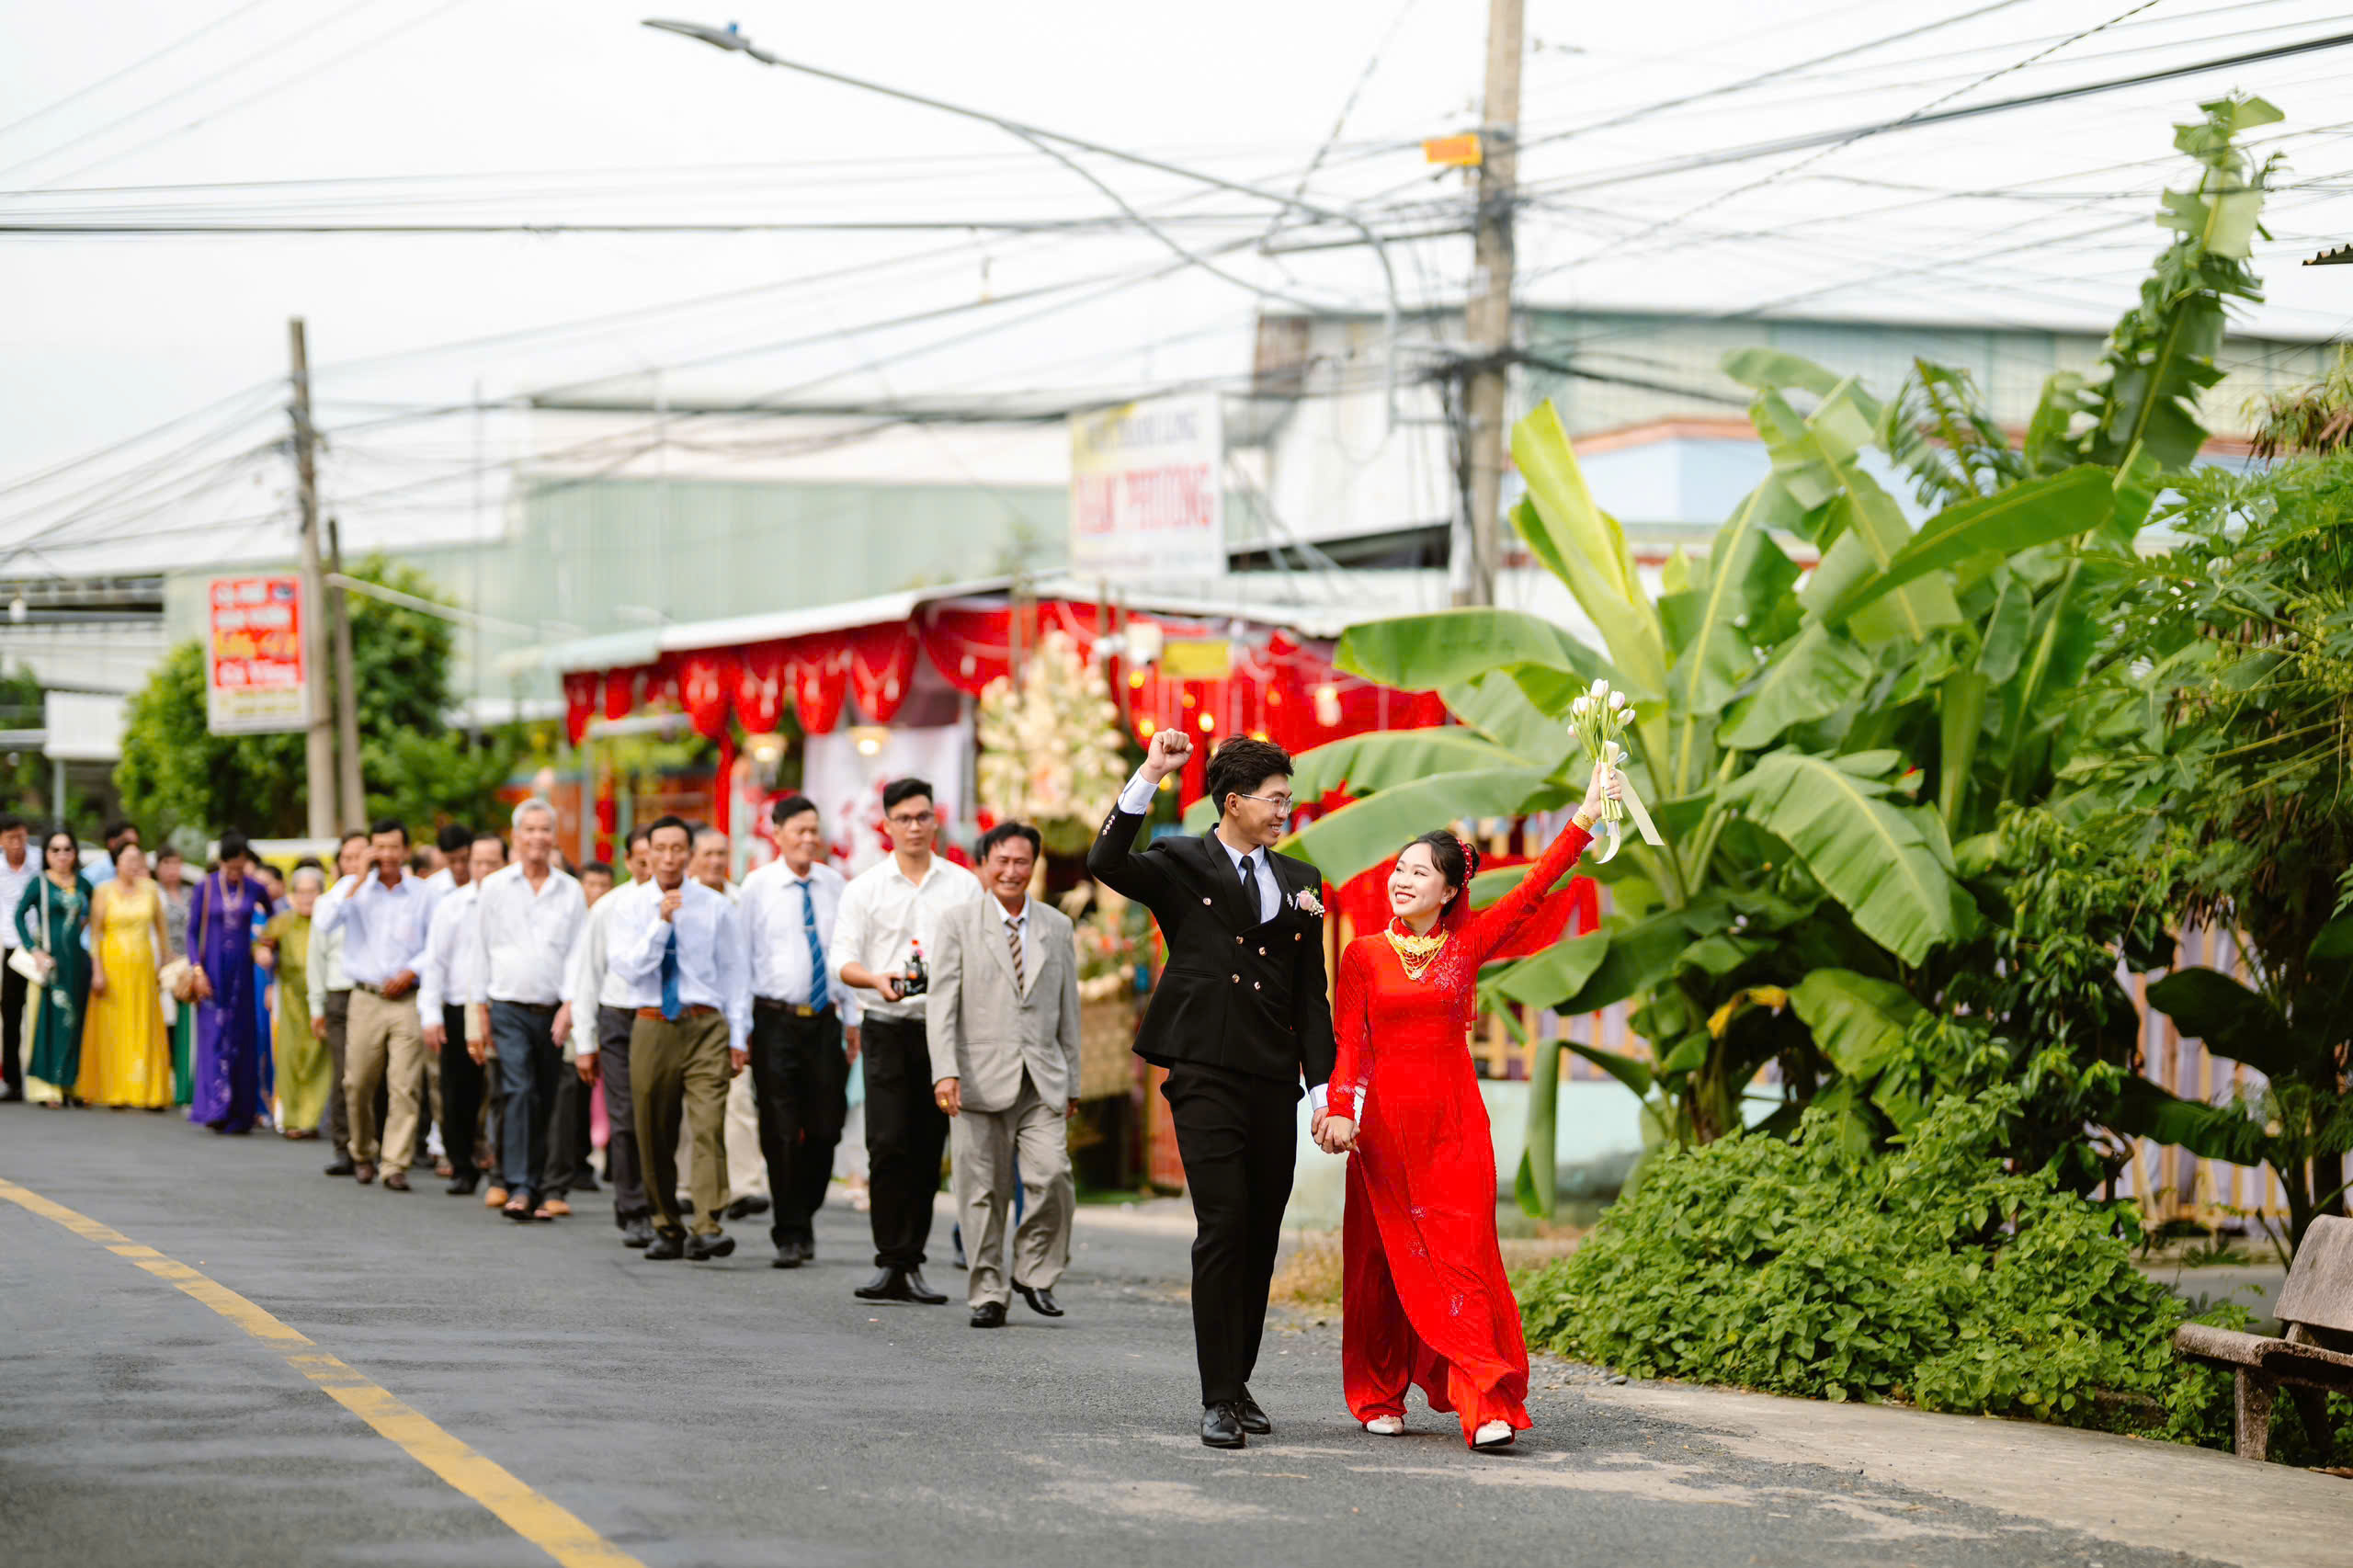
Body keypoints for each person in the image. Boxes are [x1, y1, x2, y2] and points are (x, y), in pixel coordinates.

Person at [1319, 769, 1621, 1452]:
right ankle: (1377, 1393)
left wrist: (1584, 816)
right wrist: (1342, 1110)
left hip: (1455, 1130)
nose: (1403, 880)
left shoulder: (1467, 948)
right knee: (1379, 1266)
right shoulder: (1364, 955)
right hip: (1384, 1134)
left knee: (1465, 1259)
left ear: (1451, 890)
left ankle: (1483, 1402)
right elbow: (1349, 1046)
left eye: (1420, 873)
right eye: (1399, 869)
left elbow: (1532, 891)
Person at [1087, 731, 1336, 1449]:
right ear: (1234, 801)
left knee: (1260, 1233)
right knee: (1223, 1224)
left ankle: (1238, 1374)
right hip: (1201, 1068)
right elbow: (1106, 860)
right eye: (1276, 798)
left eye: (1289, 797)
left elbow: (1310, 997)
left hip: (1271, 1075)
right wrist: (1152, 773)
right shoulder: (1179, 860)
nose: (1287, 809)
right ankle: (1218, 1397)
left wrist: (1324, 1093)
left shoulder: (1301, 880)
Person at [927, 822, 1081, 1328]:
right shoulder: (957, 922)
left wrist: (1072, 1081)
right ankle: (987, 1291)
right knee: (981, 1191)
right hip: (975, 1077)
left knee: (1052, 1175)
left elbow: (1068, 1011)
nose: (1012, 871)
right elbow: (942, 1005)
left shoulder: (1057, 927)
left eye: (1021, 862)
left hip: (1042, 1078)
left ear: (1034, 866)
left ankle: (1034, 1271)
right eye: (1002, 861)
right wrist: (945, 1071)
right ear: (984, 865)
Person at [835, 777, 982, 1304]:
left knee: (927, 1147)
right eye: (904, 818)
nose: (914, 826)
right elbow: (843, 961)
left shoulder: (963, 885)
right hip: (886, 1027)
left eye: (923, 816)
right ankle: (889, 1261)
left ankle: (913, 1260)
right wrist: (876, 980)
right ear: (888, 825)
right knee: (887, 1143)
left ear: (934, 820)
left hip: (942, 1029)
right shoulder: (864, 888)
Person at [606, 815, 750, 1261]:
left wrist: (739, 1035)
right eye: (660, 848)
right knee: (653, 1128)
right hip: (651, 1023)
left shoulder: (715, 906)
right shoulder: (628, 907)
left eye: (677, 848)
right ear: (645, 853)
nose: (669, 857)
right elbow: (628, 969)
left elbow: (735, 972)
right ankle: (666, 1223)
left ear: (689, 853)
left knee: (708, 1125)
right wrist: (661, 924)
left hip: (706, 1024)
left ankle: (707, 1224)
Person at [740, 795, 860, 1269]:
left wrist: (852, 1019)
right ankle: (790, 1230)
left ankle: (803, 1210)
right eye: (799, 831)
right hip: (773, 1021)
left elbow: (848, 952)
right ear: (778, 833)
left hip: (825, 1019)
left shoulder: (835, 885)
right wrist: (741, 1030)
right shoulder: (757, 887)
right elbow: (741, 960)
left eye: (815, 830)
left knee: (827, 1127)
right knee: (782, 1129)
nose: (809, 839)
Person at [469, 799, 586, 1223]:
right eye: (530, 830)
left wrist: (571, 1005)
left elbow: (578, 954)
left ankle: (537, 1185)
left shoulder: (569, 890)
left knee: (547, 1097)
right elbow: (478, 951)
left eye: (545, 830)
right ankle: (519, 1185)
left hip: (553, 1009)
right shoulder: (496, 887)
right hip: (507, 1007)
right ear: (516, 837)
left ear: (553, 837)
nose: (538, 837)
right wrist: (479, 1012)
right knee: (518, 1091)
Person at [313, 820, 435, 1187]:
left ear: (405, 851)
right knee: (358, 1082)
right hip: (364, 998)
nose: (385, 855)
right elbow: (323, 922)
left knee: (404, 1084)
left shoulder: (423, 893)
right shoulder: (352, 889)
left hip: (406, 1000)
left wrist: (412, 971)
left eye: (392, 847)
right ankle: (362, 1150)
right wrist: (356, 880)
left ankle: (395, 1163)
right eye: (378, 847)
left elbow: (437, 946)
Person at [566, 827, 654, 1246]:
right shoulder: (609, 908)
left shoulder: (681, 905)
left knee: (659, 1117)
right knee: (625, 1119)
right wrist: (585, 1043)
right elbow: (588, 978)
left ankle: (659, 1203)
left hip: (665, 1020)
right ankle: (634, 1207)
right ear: (628, 860)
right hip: (619, 1018)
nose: (650, 864)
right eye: (640, 857)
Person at [420, 830, 499, 1196]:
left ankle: (504, 1165)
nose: (483, 869)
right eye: (478, 863)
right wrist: (431, 1015)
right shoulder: (451, 906)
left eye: (491, 863)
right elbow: (434, 963)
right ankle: (461, 1164)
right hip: (456, 1005)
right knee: (457, 1091)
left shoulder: (510, 904)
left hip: (502, 1005)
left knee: (504, 1090)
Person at [75, 842, 173, 1111]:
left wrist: (164, 962)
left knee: (144, 1025)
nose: (132, 864)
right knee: (113, 1027)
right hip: (112, 965)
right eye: (127, 859)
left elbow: (162, 932)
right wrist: (97, 970)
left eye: (137, 859)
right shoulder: (103, 891)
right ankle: (115, 1089)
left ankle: (148, 1091)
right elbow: (95, 934)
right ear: (117, 863)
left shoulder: (151, 890)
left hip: (143, 967)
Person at [186, 832, 269, 1133]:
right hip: (213, 972)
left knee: (241, 1038)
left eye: (240, 867)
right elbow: (192, 932)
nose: (235, 873)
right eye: (230, 867)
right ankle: (214, 1107)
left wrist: (266, 943)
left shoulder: (255, 888)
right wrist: (197, 971)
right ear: (221, 862)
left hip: (243, 976)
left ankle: (240, 1111)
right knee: (214, 1036)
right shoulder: (205, 889)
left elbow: (273, 918)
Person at [15, 827, 95, 1107]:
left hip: (77, 960)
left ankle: (72, 1082)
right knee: (53, 1021)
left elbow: (93, 915)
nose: (62, 855)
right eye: (56, 850)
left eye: (67, 849)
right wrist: (33, 949)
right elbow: (19, 915)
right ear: (47, 853)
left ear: (75, 853)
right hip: (52, 962)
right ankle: (49, 1086)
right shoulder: (40, 883)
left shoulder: (83, 883)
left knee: (77, 1021)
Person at [255, 866, 332, 1137]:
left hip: (322, 998)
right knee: (288, 1057)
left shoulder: (329, 920)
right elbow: (262, 944)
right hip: (289, 998)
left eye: (312, 892)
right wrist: (263, 954)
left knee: (318, 1058)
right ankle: (292, 1120)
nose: (306, 898)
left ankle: (311, 1120)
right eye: (301, 892)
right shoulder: (283, 921)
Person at [308, 831, 369, 1176]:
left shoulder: (386, 898)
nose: (355, 864)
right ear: (338, 865)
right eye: (348, 858)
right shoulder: (328, 902)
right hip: (340, 994)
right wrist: (317, 1007)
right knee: (347, 1074)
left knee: (380, 1076)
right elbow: (316, 959)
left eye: (363, 856)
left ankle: (377, 1146)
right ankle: (345, 1147)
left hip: (377, 993)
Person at [154, 846, 195, 1107]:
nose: (172, 870)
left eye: (176, 864)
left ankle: (185, 1081)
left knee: (185, 1026)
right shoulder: (153, 894)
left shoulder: (190, 893)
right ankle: (167, 1081)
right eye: (167, 864)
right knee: (166, 1025)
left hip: (189, 966)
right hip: (164, 968)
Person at [0, 813, 36, 1101]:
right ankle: (13, 1081)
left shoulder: (38, 863)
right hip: (9, 948)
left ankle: (42, 1080)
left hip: (38, 948)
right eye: (11, 838)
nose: (16, 844)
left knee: (40, 1015)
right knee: (11, 1018)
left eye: (21, 837)